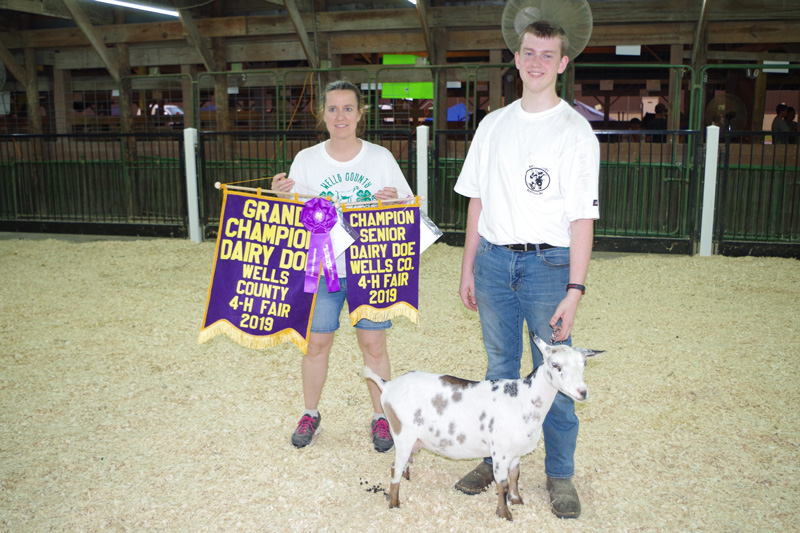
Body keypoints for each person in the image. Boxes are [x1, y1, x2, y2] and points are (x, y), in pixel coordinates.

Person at [453, 21, 600, 520]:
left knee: (555, 374)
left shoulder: (575, 132)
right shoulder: (492, 125)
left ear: (562, 63)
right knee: (498, 373)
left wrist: (574, 289)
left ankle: (559, 473)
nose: (536, 62)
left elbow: (583, 218)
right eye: (528, 53)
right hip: (494, 261)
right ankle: (496, 458)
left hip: (547, 266)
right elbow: (476, 201)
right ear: (516, 59)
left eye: (547, 55)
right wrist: (468, 265)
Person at [271, 80, 414, 453]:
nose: (340, 116)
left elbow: (410, 208)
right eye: (332, 108)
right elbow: (292, 217)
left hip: (370, 268)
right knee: (316, 344)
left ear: (360, 113)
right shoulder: (306, 159)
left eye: (347, 108)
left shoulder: (381, 158)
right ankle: (310, 412)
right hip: (322, 268)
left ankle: (382, 416)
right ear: (322, 113)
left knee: (373, 344)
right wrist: (278, 196)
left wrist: (397, 201)